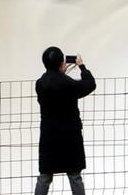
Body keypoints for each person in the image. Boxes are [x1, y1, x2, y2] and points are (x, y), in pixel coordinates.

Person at [34, 47, 96, 195]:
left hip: (49, 136)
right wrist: (82, 66)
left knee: (45, 176)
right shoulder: (69, 84)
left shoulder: (40, 84)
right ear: (61, 63)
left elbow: (54, 82)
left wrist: (59, 73)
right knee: (75, 175)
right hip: (70, 136)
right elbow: (90, 84)